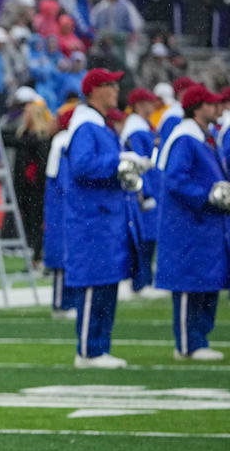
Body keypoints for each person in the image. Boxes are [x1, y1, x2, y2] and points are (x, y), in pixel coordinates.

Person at [61, 69, 145, 369]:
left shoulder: (100, 124)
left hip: (104, 218)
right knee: (95, 286)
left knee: (107, 285)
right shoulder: (86, 125)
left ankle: (100, 348)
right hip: (91, 219)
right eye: (111, 85)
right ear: (95, 89)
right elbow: (83, 166)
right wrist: (119, 161)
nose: (116, 90)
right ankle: (87, 351)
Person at [155, 85, 227, 361]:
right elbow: (175, 180)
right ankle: (187, 344)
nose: (217, 108)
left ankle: (200, 340)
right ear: (198, 107)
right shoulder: (186, 137)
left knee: (206, 283)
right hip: (188, 224)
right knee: (189, 284)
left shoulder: (204, 136)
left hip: (205, 224)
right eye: (211, 104)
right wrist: (207, 196)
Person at [121, 88, 163, 298]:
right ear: (138, 104)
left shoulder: (144, 126)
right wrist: (144, 192)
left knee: (150, 237)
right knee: (143, 238)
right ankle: (140, 282)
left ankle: (145, 280)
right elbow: (138, 162)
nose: (152, 105)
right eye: (148, 101)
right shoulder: (135, 129)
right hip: (143, 191)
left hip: (153, 187)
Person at [44, 108, 80, 320]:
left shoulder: (63, 140)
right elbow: (64, 180)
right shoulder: (62, 141)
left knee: (68, 256)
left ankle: (66, 302)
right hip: (61, 204)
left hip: (63, 203)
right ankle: (60, 304)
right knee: (62, 258)